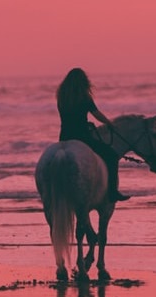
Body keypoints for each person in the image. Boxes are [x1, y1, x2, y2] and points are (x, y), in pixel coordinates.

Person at [56, 68, 128, 202]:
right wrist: (109, 123)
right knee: (111, 156)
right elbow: (96, 114)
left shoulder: (61, 96)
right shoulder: (84, 97)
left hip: (64, 137)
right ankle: (112, 192)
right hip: (82, 138)